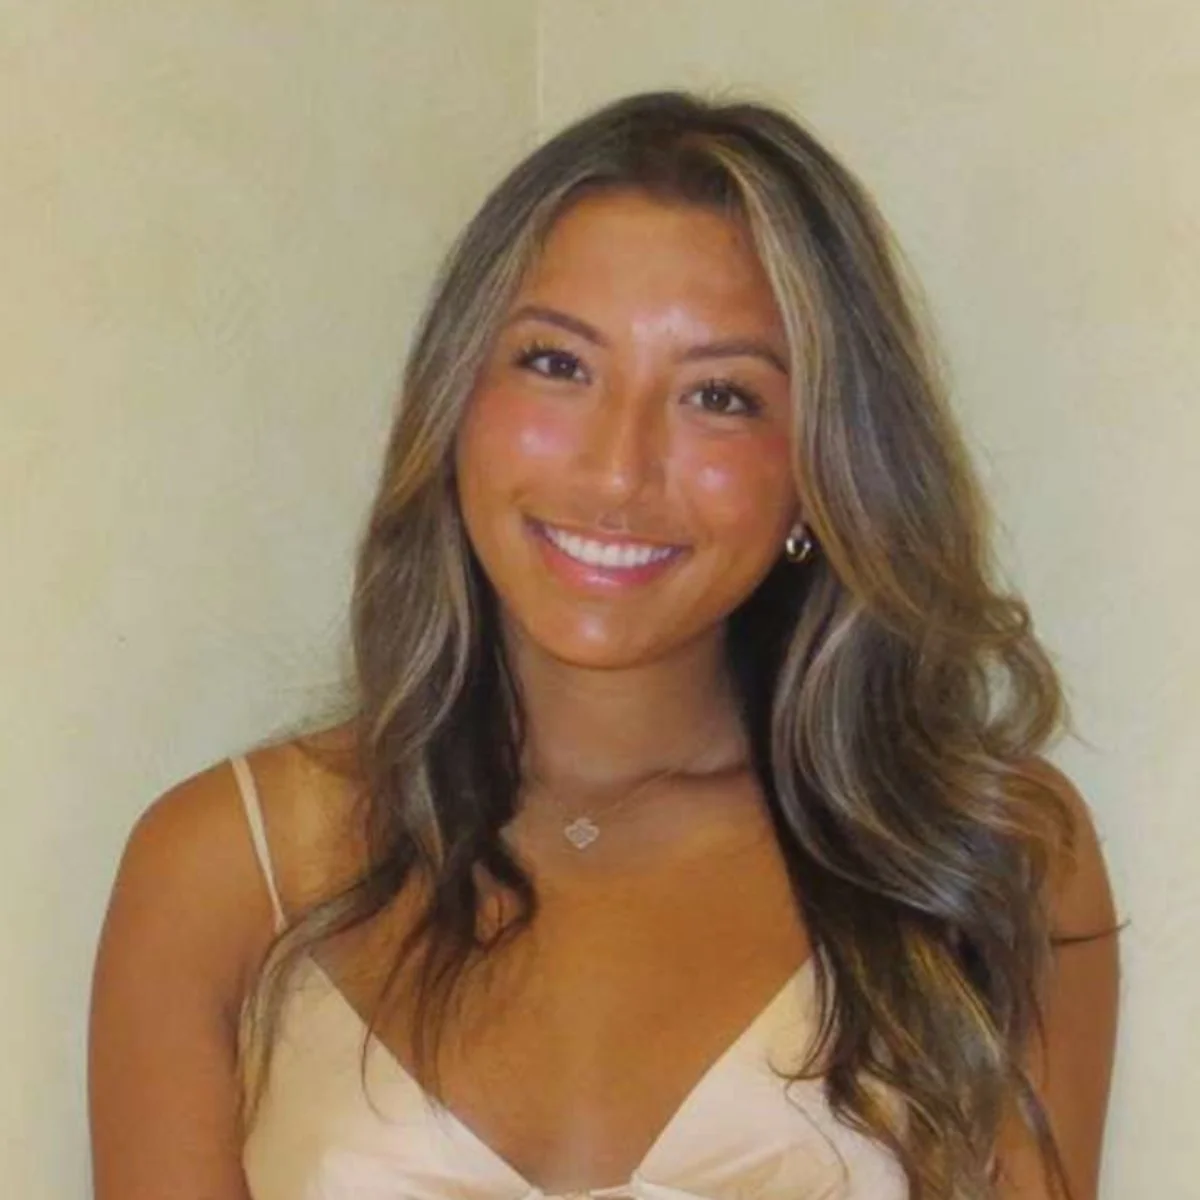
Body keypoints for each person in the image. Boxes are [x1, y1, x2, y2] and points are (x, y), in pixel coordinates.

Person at [88, 91, 1119, 1200]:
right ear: (455, 400)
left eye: (719, 395)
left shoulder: (990, 855)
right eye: (558, 364)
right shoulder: (221, 869)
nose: (618, 471)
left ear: (820, 470)